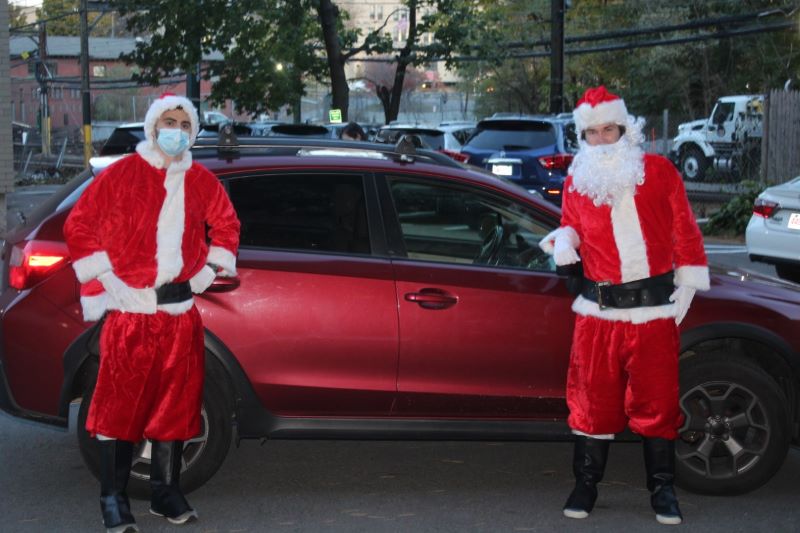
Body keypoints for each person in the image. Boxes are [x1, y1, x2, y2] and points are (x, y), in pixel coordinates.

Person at [64, 93, 240, 533]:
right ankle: (113, 497)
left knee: (177, 407)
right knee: (119, 408)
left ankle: (165, 493)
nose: (176, 130)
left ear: (193, 132)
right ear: (152, 125)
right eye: (168, 120)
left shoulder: (201, 181)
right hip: (131, 317)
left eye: (184, 123)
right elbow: (79, 224)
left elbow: (228, 225)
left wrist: (205, 275)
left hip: (180, 316)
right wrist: (108, 279)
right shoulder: (122, 174)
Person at [539, 86, 709, 525]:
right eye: (591, 132)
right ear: (583, 135)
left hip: (653, 314)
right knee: (592, 404)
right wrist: (563, 242)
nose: (601, 140)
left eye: (608, 129)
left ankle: (663, 490)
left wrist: (685, 290)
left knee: (658, 404)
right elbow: (571, 226)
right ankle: (585, 484)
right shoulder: (577, 180)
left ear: (624, 127)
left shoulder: (660, 172)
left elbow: (685, 233)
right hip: (598, 316)